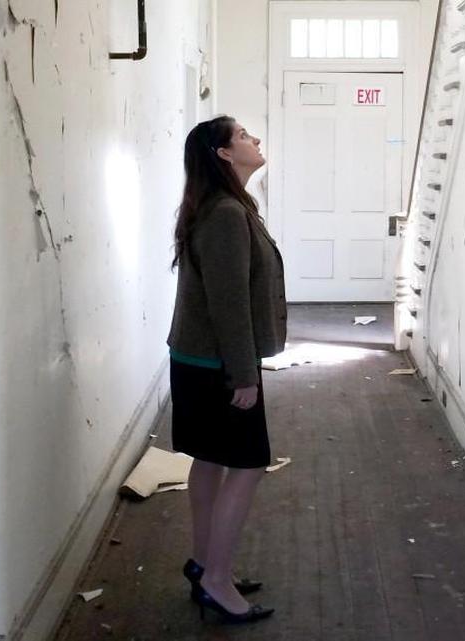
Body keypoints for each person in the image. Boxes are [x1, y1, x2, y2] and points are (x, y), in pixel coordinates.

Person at [167, 116, 287, 624]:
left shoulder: (225, 206)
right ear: (222, 154)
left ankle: (204, 564)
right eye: (242, 136)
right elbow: (229, 303)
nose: (254, 139)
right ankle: (216, 580)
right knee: (248, 464)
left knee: (212, 460)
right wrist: (243, 376)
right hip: (216, 365)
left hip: (200, 360)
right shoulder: (225, 215)